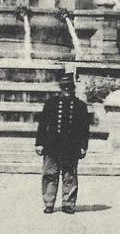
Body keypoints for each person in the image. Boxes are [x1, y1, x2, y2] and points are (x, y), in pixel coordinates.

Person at [35, 73, 90, 215]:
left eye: (69, 87)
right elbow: (42, 125)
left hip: (71, 145)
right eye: (64, 87)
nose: (67, 90)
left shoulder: (80, 106)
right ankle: (48, 202)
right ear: (60, 88)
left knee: (69, 175)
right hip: (52, 144)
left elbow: (85, 129)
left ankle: (68, 203)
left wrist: (83, 146)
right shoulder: (51, 103)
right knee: (49, 174)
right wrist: (39, 143)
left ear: (73, 88)